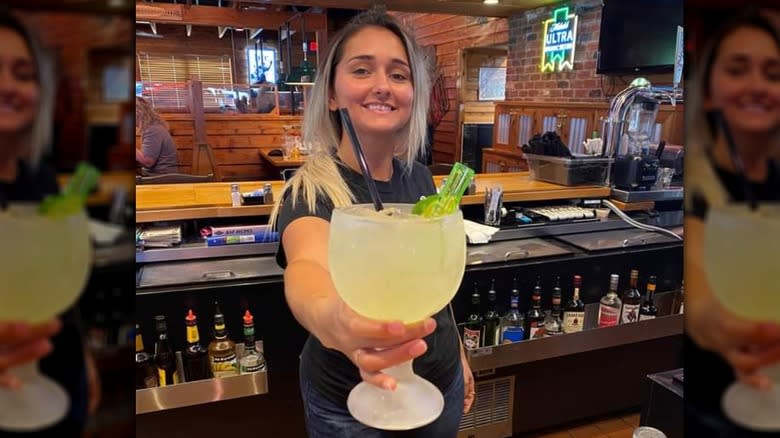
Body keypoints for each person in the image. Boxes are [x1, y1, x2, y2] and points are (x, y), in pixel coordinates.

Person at [269, 9, 474, 437]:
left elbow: (432, 278)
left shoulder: (418, 176)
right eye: (362, 69)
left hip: (440, 382)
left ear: (413, 94)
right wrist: (333, 321)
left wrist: (458, 353)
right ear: (331, 94)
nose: (382, 84)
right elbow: (307, 270)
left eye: (399, 75)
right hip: (352, 400)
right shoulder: (310, 190)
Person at [0, 11, 99, 436]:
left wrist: (86, 357)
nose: (7, 85)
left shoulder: (39, 178)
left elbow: (56, 282)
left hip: (60, 386)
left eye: (22, 73)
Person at [684, 9, 780, 437]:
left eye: (773, 72)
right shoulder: (702, 189)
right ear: (708, 91)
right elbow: (703, 298)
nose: (758, 85)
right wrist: (713, 322)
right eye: (738, 69)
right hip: (713, 405)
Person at [135, 96, 179, 175]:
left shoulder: (152, 130)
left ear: (138, 113)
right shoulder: (153, 127)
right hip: (159, 175)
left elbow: (148, 162)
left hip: (161, 177)